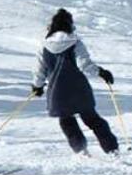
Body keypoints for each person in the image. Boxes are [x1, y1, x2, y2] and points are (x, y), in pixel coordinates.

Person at [29, 9, 120, 154]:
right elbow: (84, 65)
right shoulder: (75, 43)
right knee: (93, 119)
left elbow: (40, 70)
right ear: (69, 25)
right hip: (79, 89)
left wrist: (37, 86)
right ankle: (111, 149)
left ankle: (81, 150)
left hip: (57, 91)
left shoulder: (44, 46)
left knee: (66, 121)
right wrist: (101, 72)